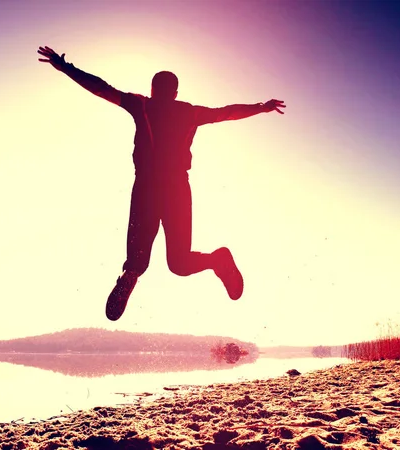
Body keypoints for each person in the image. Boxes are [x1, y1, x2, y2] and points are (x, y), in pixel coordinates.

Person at [37, 46, 286, 321]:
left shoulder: (143, 105)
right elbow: (226, 112)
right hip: (177, 191)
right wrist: (260, 108)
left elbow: (101, 88)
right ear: (175, 93)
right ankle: (216, 260)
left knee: (137, 263)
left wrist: (66, 68)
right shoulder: (190, 113)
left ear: (153, 89)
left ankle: (131, 276)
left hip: (147, 190)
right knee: (179, 263)